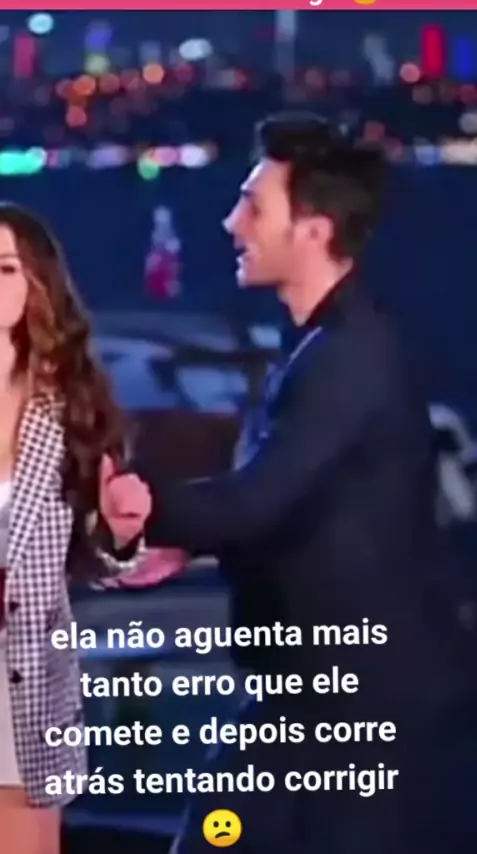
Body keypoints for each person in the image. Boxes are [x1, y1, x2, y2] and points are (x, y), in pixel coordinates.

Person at [117, 115, 477, 852]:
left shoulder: (352, 355)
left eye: (253, 206)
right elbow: (291, 504)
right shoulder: (323, 348)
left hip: (367, 716)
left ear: (314, 229)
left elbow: (257, 500)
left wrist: (137, 506)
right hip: (302, 704)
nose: (232, 222)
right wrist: (193, 541)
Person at [0, 203, 157, 854]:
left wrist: (120, 531)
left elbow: (99, 561)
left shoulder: (69, 412)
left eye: (4, 269)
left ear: (36, 286)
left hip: (25, 687)